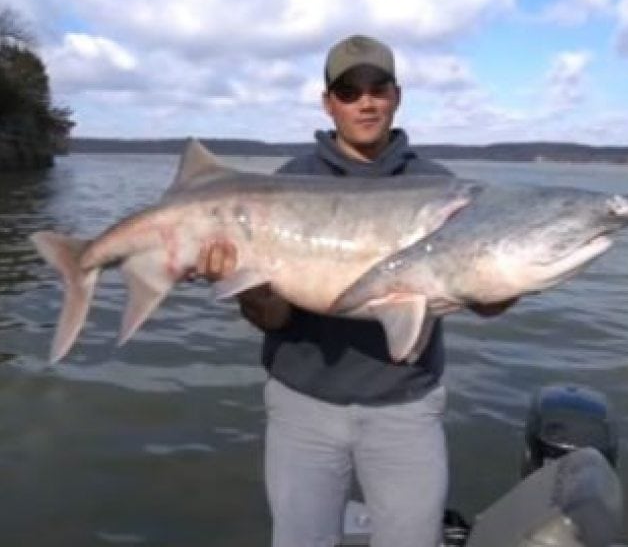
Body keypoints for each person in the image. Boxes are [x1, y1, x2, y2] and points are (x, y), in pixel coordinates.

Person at [193, 34, 515, 547]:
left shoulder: (442, 187)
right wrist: (244, 288)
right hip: (302, 407)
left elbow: (491, 304)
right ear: (328, 103)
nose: (365, 102)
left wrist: (524, 267)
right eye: (348, 90)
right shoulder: (289, 181)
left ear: (397, 96)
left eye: (378, 87)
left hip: (407, 407)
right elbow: (275, 319)